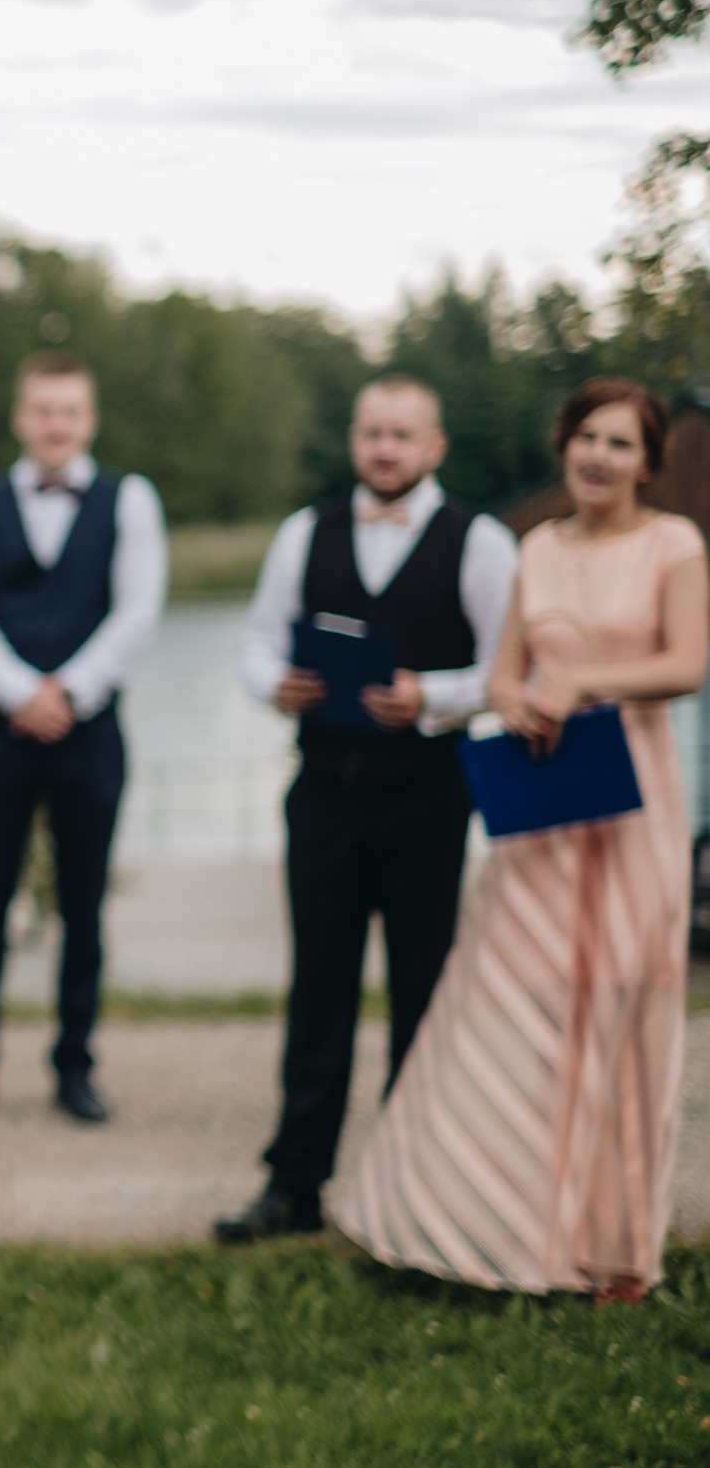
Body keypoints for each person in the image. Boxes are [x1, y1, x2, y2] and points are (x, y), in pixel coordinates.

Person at [339, 379, 707, 1300]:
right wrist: (519, 700)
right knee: (514, 1002)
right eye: (587, 437)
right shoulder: (536, 547)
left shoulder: (675, 544)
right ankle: (490, 1231)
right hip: (544, 806)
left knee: (622, 1005)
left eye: (620, 443)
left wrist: (586, 684)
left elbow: (687, 665)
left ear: (648, 463)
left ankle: (612, 1248)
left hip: (635, 802)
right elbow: (503, 673)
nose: (598, 457)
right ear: (563, 446)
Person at [215, 375, 518, 1243]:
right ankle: (295, 1184)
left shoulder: (481, 540)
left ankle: (413, 1186)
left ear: (435, 446)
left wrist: (431, 695)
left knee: (422, 987)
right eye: (372, 433)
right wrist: (275, 683)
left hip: (429, 794)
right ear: (355, 440)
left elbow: (508, 670)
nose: (385, 449)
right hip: (323, 793)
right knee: (319, 986)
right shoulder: (304, 532)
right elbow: (256, 641)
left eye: (402, 434)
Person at [0, 349, 166, 1124]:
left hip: (89, 728)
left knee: (84, 902)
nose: (56, 424)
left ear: (89, 419)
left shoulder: (131, 499)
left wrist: (67, 691)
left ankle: (75, 1064)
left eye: (69, 411)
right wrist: (18, 692)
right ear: (20, 417)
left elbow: (137, 611)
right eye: (43, 410)